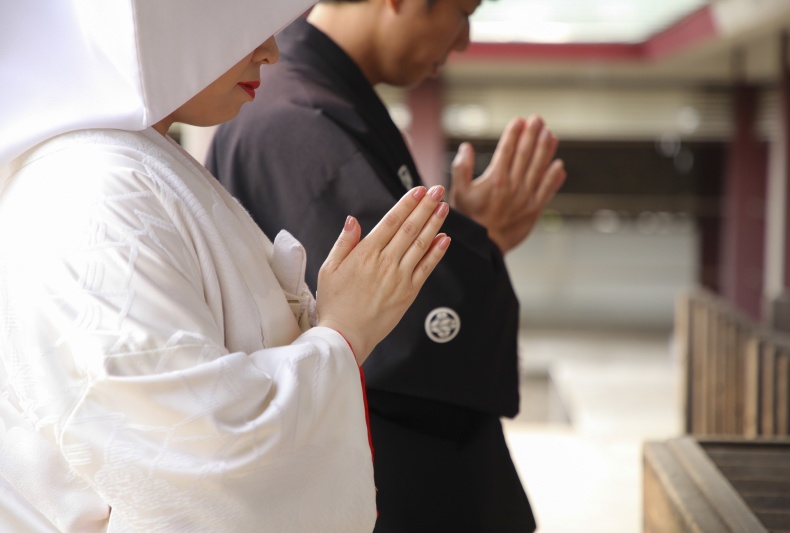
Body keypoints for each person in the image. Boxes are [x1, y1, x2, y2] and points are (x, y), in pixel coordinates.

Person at [0, 1, 452, 531]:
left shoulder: (124, 166)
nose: (269, 50)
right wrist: (342, 333)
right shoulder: (93, 189)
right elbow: (196, 454)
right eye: (238, 26)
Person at [206, 0, 567, 531]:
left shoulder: (319, 97)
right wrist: (476, 245)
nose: (464, 39)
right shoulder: (298, 121)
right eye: (462, 11)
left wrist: (465, 236)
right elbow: (401, 327)